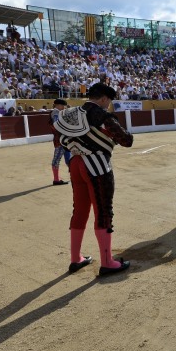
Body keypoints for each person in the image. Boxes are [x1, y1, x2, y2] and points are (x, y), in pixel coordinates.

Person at [54, 83, 133, 276]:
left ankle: (76, 258)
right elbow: (126, 140)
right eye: (109, 101)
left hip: (75, 163)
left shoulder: (70, 113)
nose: (109, 105)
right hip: (96, 165)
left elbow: (59, 139)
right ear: (104, 98)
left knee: (79, 210)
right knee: (103, 211)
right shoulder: (102, 116)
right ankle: (107, 262)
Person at [49, 98, 71, 185]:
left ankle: (73, 176)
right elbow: (56, 125)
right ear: (58, 105)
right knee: (57, 158)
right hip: (60, 139)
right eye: (63, 105)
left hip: (63, 138)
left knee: (68, 157)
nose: (64, 107)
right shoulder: (56, 113)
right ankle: (56, 179)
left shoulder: (58, 112)